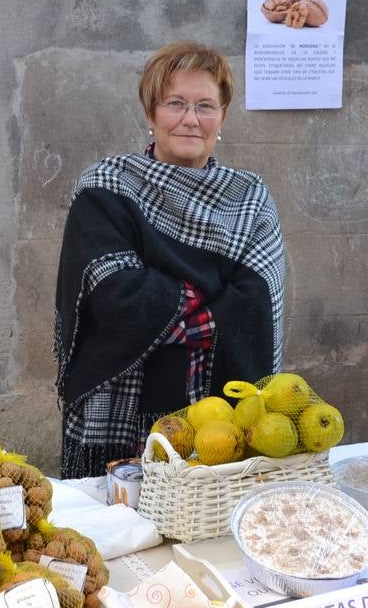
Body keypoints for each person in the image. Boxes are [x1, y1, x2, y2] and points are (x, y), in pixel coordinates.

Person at [53, 41, 287, 479]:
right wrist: (214, 297)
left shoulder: (251, 197)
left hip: (218, 418)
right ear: (150, 114)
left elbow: (258, 300)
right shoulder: (106, 186)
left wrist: (164, 293)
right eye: (174, 103)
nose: (190, 119)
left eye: (205, 105)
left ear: (223, 117)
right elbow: (114, 294)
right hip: (118, 407)